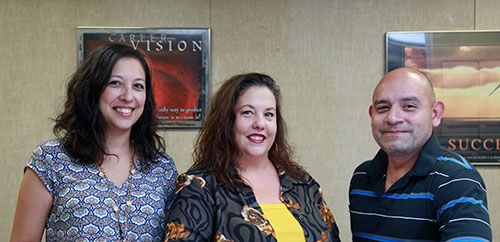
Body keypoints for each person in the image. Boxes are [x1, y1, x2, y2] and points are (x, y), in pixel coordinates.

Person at [10, 43, 178, 242]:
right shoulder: (50, 160)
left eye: (138, 86)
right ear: (92, 88)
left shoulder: (162, 168)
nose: (128, 96)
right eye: (115, 83)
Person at [164, 73, 340, 242]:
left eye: (269, 114)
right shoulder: (199, 187)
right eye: (248, 112)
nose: (260, 123)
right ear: (228, 121)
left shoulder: (303, 183)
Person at [349, 67, 491, 241]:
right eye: (383, 108)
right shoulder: (361, 178)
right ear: (372, 115)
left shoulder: (456, 180)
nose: (392, 118)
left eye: (409, 106)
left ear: (435, 114)